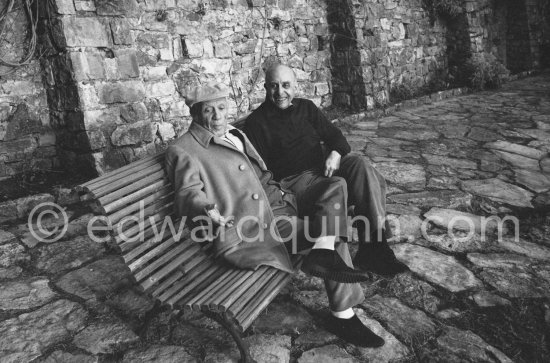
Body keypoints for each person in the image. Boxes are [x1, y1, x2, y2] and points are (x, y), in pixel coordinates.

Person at [165, 82, 385, 347]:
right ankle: (343, 315)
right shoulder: (184, 149)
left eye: (222, 108)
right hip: (250, 227)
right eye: (209, 111)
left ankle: (324, 256)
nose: (218, 115)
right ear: (195, 114)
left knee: (333, 198)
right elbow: (187, 193)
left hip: (280, 205)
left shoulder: (233, 132)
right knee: (328, 233)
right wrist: (206, 209)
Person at [244, 64, 409, 276]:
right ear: (265, 88)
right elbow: (260, 172)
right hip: (294, 183)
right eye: (273, 86)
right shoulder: (256, 123)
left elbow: (335, 136)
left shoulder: (306, 108)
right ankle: (330, 255)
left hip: (321, 167)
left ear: (295, 86)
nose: (280, 92)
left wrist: (335, 153)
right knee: (337, 184)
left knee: (360, 166)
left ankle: (374, 247)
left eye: (285, 85)